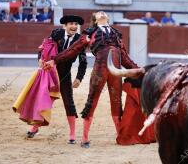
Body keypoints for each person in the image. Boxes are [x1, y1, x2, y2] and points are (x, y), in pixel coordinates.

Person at [44, 11, 138, 148]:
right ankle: (84, 138)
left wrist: (138, 70)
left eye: (103, 12)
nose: (102, 13)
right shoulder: (89, 34)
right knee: (92, 102)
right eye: (99, 13)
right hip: (100, 70)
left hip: (116, 72)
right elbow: (73, 49)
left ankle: (120, 136)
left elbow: (124, 57)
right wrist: (55, 60)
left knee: (117, 103)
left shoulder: (116, 34)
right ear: (95, 20)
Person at [29, 15, 87, 144]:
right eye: (71, 23)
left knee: (68, 102)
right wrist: (39, 58)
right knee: (44, 99)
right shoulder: (56, 33)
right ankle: (35, 126)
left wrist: (79, 78)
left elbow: (83, 61)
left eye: (76, 24)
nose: (74, 26)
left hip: (65, 74)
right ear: (65, 25)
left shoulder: (80, 40)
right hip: (50, 73)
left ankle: (72, 134)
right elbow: (44, 47)